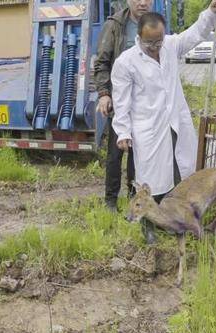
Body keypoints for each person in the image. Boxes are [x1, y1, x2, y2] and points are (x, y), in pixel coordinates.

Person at [111, 0, 216, 243]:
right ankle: (147, 226)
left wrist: (211, 12)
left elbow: (195, 33)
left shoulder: (171, 47)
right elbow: (121, 101)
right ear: (138, 36)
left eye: (158, 41)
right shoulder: (126, 62)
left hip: (176, 121)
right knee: (149, 180)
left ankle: (173, 219)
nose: (154, 47)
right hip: (148, 128)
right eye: (149, 42)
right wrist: (123, 132)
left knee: (179, 172)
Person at [94, 0, 154, 213]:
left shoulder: (154, 24)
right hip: (119, 101)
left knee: (138, 155)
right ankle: (110, 201)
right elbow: (101, 62)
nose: (143, 2)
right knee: (115, 153)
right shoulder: (115, 24)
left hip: (145, 105)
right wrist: (103, 94)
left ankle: (133, 197)